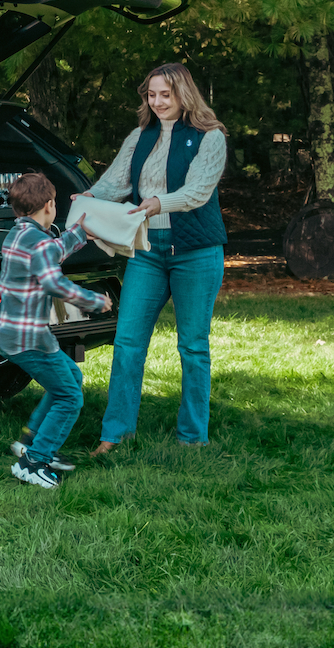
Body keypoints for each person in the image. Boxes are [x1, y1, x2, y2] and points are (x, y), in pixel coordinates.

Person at [87, 62, 229, 453]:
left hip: (196, 253)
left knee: (193, 346)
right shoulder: (140, 136)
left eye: (165, 94)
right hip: (147, 251)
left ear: (184, 94)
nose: (158, 101)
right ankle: (114, 434)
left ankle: (192, 437)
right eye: (152, 94)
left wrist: (156, 203)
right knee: (128, 341)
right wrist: (87, 201)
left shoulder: (210, 137)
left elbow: (198, 192)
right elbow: (115, 182)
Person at [0, 172, 112, 489]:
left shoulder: (18, 235)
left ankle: (32, 441)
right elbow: (53, 281)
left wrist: (79, 232)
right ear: (49, 205)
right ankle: (34, 461)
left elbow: (52, 251)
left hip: (10, 333)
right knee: (70, 396)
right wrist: (93, 300)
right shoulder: (39, 243)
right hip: (29, 339)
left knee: (70, 377)